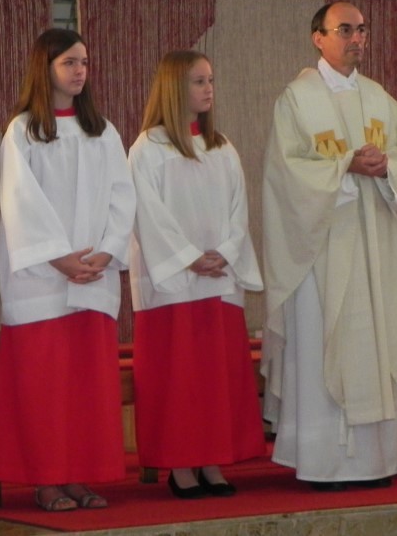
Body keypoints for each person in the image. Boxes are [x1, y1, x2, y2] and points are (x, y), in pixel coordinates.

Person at [262, 2, 397, 491]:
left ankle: (374, 463)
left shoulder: (380, 99)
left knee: (375, 346)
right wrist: (344, 166)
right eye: (345, 29)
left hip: (375, 248)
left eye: (362, 30)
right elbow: (285, 172)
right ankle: (324, 464)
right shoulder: (297, 99)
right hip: (323, 249)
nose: (356, 38)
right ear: (319, 37)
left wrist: (388, 167)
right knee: (322, 345)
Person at [0, 28, 136, 511]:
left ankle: (79, 476)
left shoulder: (103, 131)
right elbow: (20, 202)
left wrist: (106, 252)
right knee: (45, 388)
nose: (79, 71)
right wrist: (60, 258)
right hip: (43, 281)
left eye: (84, 63)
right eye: (69, 62)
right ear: (45, 68)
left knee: (85, 388)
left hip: (93, 276)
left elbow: (122, 196)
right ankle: (46, 480)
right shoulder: (23, 131)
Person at [129, 51, 264, 499]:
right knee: (179, 379)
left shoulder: (221, 147)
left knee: (214, 379)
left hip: (217, 278)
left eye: (211, 80)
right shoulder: (148, 149)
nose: (209, 89)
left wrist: (225, 252)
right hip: (173, 284)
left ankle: (212, 460)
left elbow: (239, 208)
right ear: (174, 88)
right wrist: (188, 257)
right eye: (198, 81)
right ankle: (181, 466)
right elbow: (148, 214)